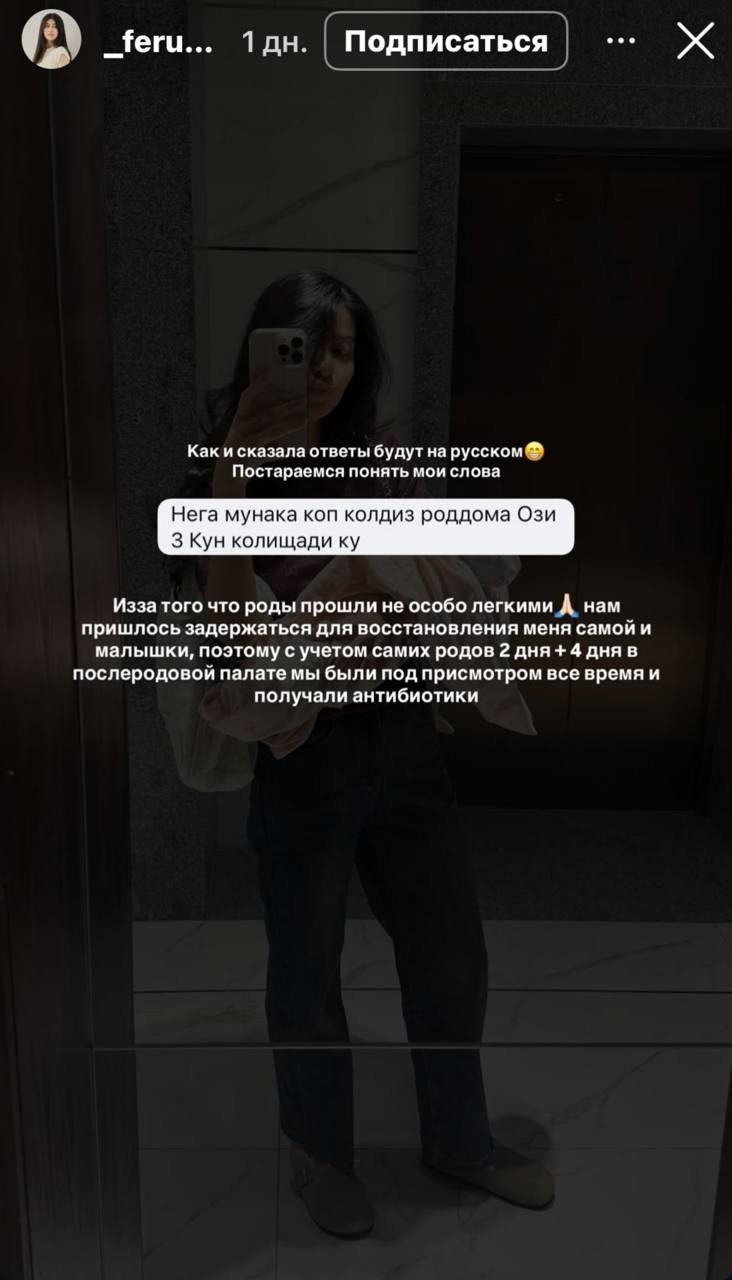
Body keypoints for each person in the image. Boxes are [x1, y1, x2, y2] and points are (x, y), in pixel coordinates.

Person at [174, 270, 554, 1237]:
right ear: (267, 349)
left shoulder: (383, 462)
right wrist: (232, 475)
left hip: (405, 737)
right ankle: (318, 1152)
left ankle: (460, 1140)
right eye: (306, 348)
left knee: (450, 953)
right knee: (306, 966)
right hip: (307, 754)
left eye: (343, 351)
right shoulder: (217, 471)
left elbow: (447, 575)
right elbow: (226, 624)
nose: (325, 371)